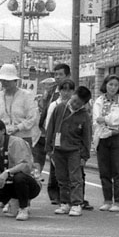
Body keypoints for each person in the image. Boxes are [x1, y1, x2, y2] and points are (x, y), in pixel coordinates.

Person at [0, 118, 41, 221]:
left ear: (3, 131)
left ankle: (24, 207)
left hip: (29, 183)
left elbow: (25, 165)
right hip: (10, 183)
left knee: (19, 177)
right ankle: (12, 201)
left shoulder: (16, 142)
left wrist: (7, 172)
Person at [46, 85, 92, 217]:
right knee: (61, 177)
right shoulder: (60, 108)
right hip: (58, 149)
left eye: (79, 103)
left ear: (84, 104)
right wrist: (49, 148)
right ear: (72, 95)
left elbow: (87, 137)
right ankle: (64, 202)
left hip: (74, 151)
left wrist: (84, 155)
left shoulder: (85, 116)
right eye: (74, 100)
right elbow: (51, 128)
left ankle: (77, 203)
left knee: (75, 178)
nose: (75, 103)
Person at [92, 75, 119, 212]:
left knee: (118, 170)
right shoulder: (99, 101)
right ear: (105, 85)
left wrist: (106, 119)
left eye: (116, 85)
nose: (113, 87)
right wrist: (108, 122)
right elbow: (96, 120)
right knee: (104, 171)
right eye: (110, 84)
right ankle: (107, 200)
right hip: (102, 137)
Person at [35, 63, 69, 205]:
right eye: (55, 74)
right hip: (46, 130)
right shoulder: (51, 90)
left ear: (67, 75)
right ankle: (54, 193)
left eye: (60, 74)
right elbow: (44, 109)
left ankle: (66, 194)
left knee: (61, 164)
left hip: (63, 132)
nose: (57, 77)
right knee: (49, 161)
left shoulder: (71, 91)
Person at [0, 63, 39, 147]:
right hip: (2, 138)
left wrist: (18, 127)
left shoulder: (26, 96)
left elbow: (33, 118)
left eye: (8, 81)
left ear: (15, 81)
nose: (5, 83)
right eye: (3, 80)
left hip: (23, 137)